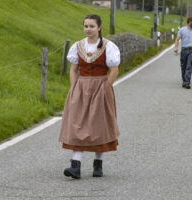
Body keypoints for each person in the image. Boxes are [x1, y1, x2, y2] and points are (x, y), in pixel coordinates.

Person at [59, 14, 120, 179]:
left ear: (99, 27)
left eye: (91, 26)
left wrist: (106, 87)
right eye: (86, 26)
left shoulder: (109, 46)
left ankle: (98, 164)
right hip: (81, 87)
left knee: (99, 124)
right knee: (77, 124)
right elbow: (73, 69)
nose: (88, 29)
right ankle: (75, 166)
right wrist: (74, 87)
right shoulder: (78, 46)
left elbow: (114, 69)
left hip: (101, 87)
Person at [174, 17, 192, 89]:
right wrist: (176, 47)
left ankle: (187, 82)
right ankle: (184, 81)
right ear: (189, 22)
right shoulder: (182, 30)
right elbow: (177, 39)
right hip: (184, 51)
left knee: (189, 66)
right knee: (183, 67)